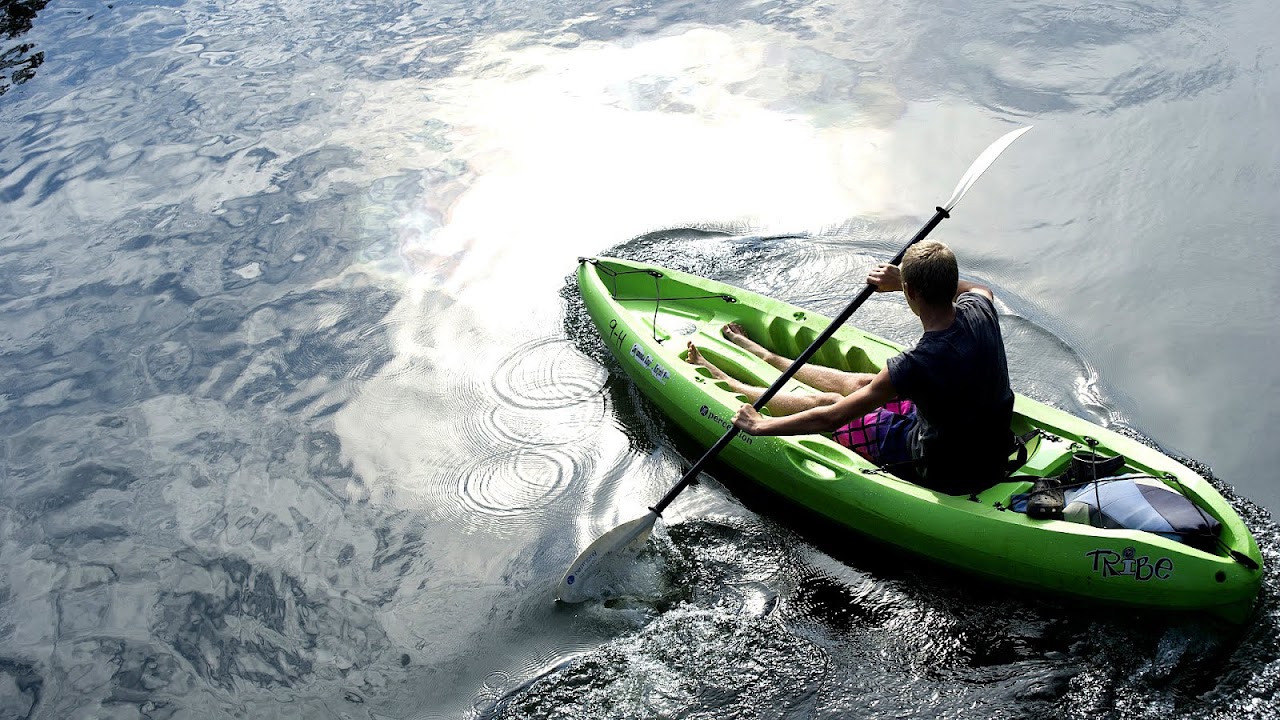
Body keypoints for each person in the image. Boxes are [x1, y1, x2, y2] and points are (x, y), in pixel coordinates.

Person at [684, 240, 1014, 495]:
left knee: (830, 402)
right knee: (865, 383)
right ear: (951, 282)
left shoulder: (917, 362)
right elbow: (981, 289)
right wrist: (904, 281)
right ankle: (770, 358)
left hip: (940, 464)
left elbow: (834, 418)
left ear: (910, 291)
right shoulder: (979, 310)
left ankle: (729, 384)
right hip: (991, 446)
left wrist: (759, 427)